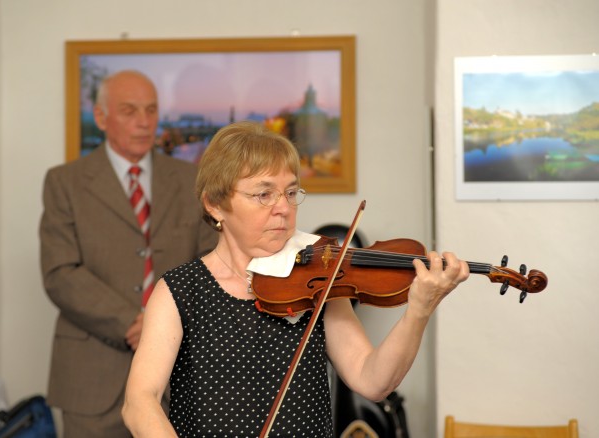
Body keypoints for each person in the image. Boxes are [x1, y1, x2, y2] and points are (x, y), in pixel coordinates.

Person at [122, 120, 470, 437]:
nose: (284, 208)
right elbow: (140, 401)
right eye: (263, 194)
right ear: (214, 204)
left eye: (290, 192)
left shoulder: (316, 279)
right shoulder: (181, 290)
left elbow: (372, 379)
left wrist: (419, 310)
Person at [39, 70, 217, 437]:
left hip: (181, 375)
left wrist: (162, 325)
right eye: (129, 110)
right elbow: (60, 273)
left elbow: (213, 263)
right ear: (101, 117)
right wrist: (131, 323)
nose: (144, 122)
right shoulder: (64, 183)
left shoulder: (192, 180)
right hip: (91, 378)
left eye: (151, 110)